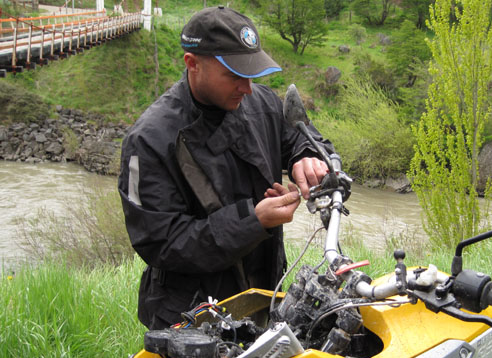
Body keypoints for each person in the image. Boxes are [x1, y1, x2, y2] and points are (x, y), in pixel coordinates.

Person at [118, 6, 332, 331]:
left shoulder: (262, 103)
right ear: (193, 64)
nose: (246, 88)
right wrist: (254, 220)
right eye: (234, 75)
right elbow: (162, 243)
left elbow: (306, 139)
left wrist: (309, 157)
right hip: (189, 318)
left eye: (251, 75)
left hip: (266, 295)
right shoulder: (148, 140)